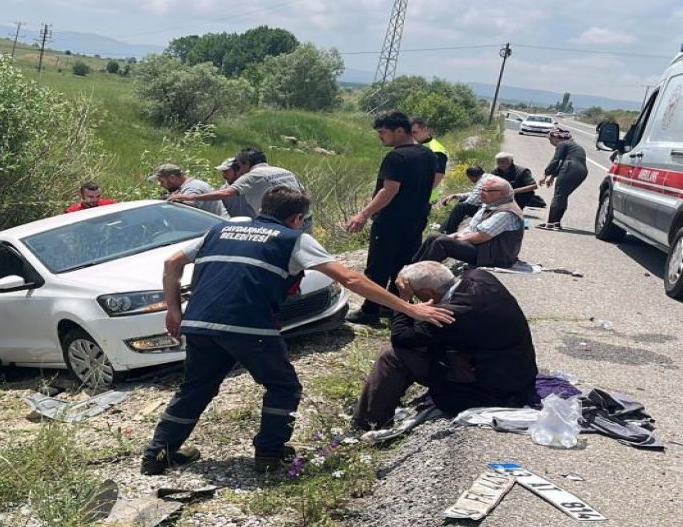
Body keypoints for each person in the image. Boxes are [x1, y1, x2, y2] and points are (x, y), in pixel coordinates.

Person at [143, 186, 454, 475]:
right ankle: (269, 454)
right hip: (248, 325)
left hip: (198, 322)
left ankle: (158, 453)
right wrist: (411, 309)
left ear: (261, 208)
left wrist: (174, 309)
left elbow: (172, 263)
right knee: (283, 387)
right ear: (296, 218)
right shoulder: (292, 239)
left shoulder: (219, 229)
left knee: (195, 387)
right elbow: (351, 279)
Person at [352, 261, 539, 432]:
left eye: (418, 295)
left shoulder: (450, 315)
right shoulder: (480, 277)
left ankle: (369, 423)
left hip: (494, 388)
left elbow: (401, 338)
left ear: (428, 294)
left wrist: (404, 300)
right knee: (421, 345)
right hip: (518, 370)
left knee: (392, 357)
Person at [344, 111, 442, 326]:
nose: (380, 137)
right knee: (402, 265)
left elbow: (389, 190)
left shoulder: (396, 157)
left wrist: (363, 214)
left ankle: (370, 311)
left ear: (399, 131)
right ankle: (392, 306)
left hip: (391, 221)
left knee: (377, 267)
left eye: (382, 132)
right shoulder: (428, 155)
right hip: (416, 219)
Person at [413, 176, 525, 269]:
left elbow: (482, 236)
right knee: (434, 236)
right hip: (485, 249)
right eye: (481, 189)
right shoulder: (491, 204)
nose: (481, 193)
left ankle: (421, 277)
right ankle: (412, 268)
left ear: (502, 193)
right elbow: (471, 229)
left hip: (496, 256)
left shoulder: (506, 212)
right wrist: (452, 236)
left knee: (442, 242)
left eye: (486, 190)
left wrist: (453, 239)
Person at [169, 147, 303, 218]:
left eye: (240, 166)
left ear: (247, 164)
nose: (240, 172)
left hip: (280, 222)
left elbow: (227, 193)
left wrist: (189, 197)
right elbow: (303, 193)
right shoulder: (284, 171)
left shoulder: (254, 175)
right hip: (301, 218)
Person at [540, 128, 589, 230]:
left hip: (570, 168)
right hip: (581, 171)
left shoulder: (562, 144)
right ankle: (556, 223)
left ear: (556, 137)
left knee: (558, 196)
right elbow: (562, 162)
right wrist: (552, 177)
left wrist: (545, 175)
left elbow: (555, 160)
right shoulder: (574, 145)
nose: (550, 142)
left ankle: (550, 224)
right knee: (563, 196)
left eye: (550, 139)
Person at [153, 163, 226, 216]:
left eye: (162, 181)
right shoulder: (186, 186)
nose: (160, 185)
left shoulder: (192, 188)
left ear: (172, 178)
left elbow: (187, 214)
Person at [438, 166, 488, 234]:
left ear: (471, 176)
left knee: (460, 207)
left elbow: (471, 202)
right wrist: (456, 196)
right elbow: (474, 194)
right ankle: (444, 228)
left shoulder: (482, 182)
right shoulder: (485, 178)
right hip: (488, 205)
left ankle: (448, 231)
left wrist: (459, 205)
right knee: (461, 204)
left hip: (486, 208)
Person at [412, 118, 448, 204]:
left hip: (426, 197)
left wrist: (422, 194)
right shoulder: (418, 145)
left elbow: (439, 175)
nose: (412, 135)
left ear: (425, 130)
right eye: (410, 133)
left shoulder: (436, 149)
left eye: (415, 132)